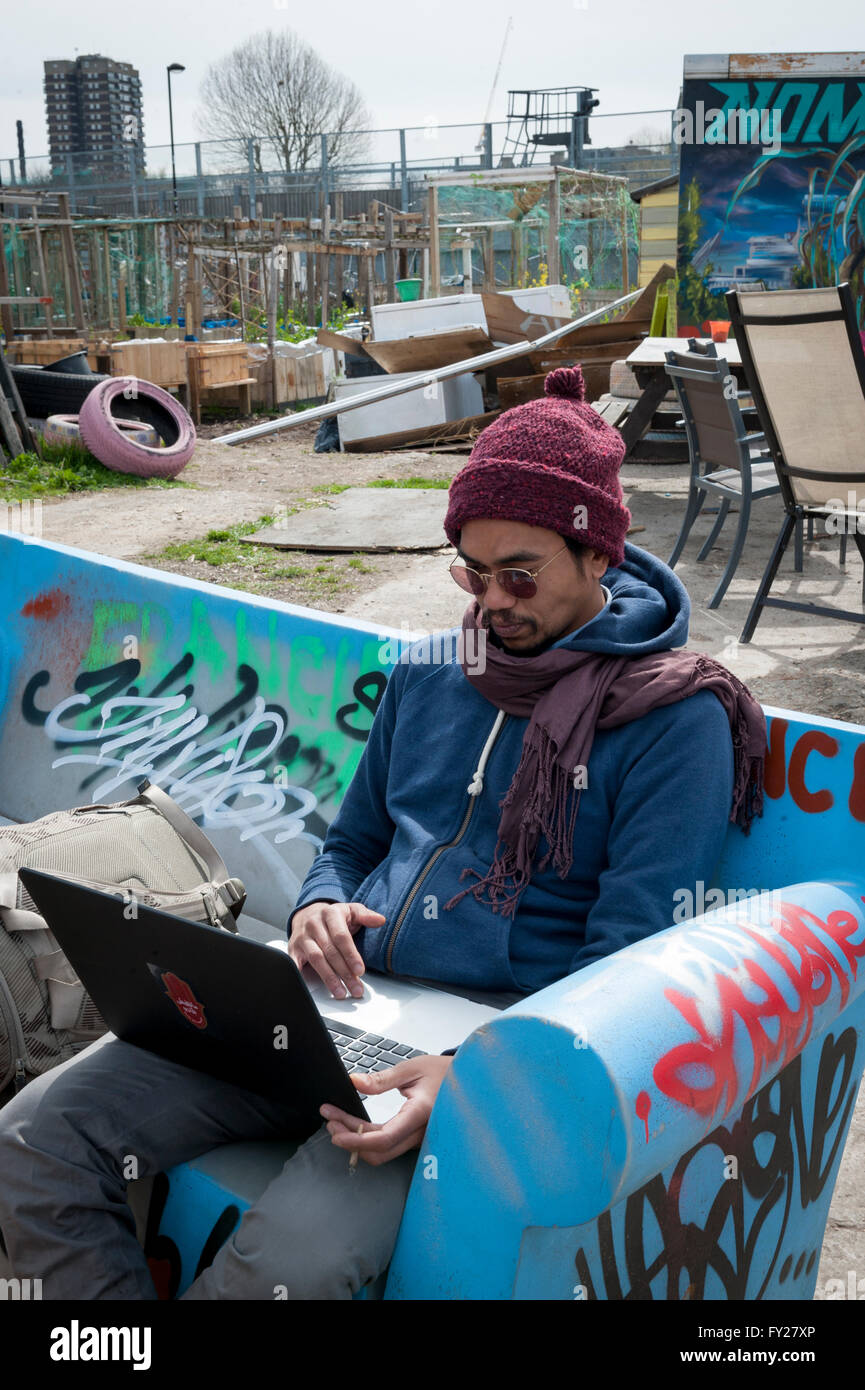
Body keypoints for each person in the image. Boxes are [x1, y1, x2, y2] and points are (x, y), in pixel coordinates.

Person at [0, 366, 765, 1300]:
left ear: (598, 555)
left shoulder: (672, 718)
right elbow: (352, 843)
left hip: (485, 1064)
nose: (490, 603)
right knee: (38, 1135)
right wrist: (321, 903)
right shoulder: (434, 670)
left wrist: (468, 1077)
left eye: (520, 574)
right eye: (470, 572)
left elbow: (627, 963)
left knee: (294, 1264)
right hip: (328, 1013)